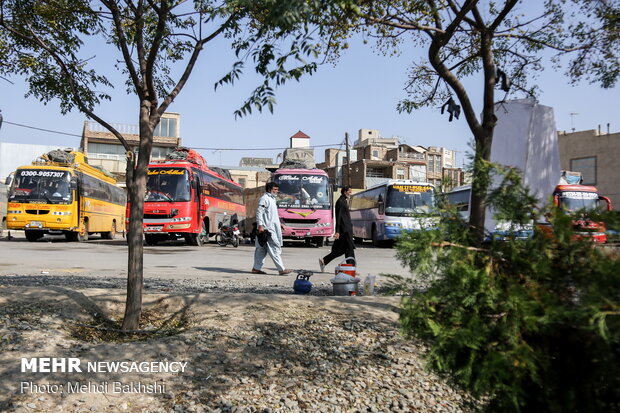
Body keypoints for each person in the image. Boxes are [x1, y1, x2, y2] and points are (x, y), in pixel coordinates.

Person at [251, 182, 292, 275]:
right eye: (275, 189)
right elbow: (259, 212)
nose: (277, 191)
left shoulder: (272, 199)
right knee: (274, 248)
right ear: (269, 189)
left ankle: (256, 268)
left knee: (261, 250)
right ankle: (281, 269)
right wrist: (260, 225)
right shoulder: (264, 199)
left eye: (277, 189)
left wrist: (279, 224)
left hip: (272, 227)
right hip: (267, 229)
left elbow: (273, 215)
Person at [319, 186, 355, 272]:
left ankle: (325, 260)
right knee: (349, 249)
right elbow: (338, 217)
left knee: (342, 250)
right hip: (344, 230)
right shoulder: (340, 202)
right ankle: (352, 269)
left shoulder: (344, 201)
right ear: (345, 192)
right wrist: (337, 231)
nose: (350, 194)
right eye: (349, 192)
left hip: (347, 229)